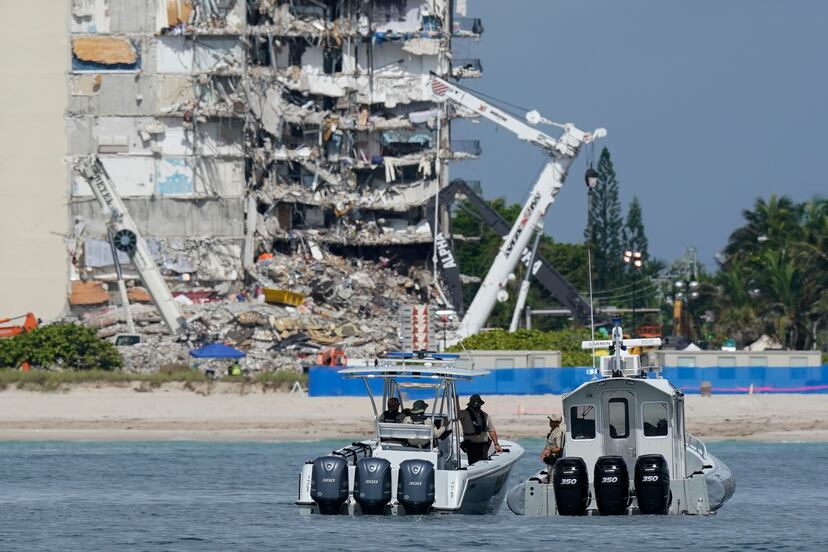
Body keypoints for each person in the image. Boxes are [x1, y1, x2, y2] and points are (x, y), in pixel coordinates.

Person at [458, 394, 502, 464]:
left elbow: (491, 431)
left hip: (484, 446)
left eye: (478, 403)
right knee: (474, 463)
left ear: (481, 404)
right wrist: (456, 400)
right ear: (470, 404)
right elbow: (457, 413)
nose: (477, 405)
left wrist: (496, 444)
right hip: (471, 446)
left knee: (484, 463)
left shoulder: (485, 415)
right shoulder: (464, 414)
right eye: (475, 404)